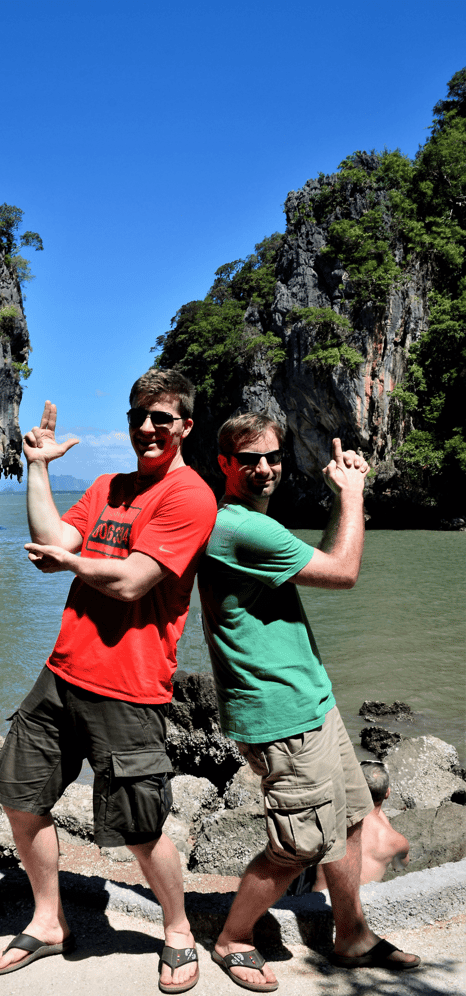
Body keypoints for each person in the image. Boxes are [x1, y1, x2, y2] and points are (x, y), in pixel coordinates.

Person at [0, 368, 217, 992]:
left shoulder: (189, 496)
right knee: (20, 798)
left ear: (185, 427)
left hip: (131, 687)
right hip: (61, 673)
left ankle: (177, 930)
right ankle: (49, 921)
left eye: (161, 419)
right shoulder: (108, 487)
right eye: (138, 415)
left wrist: (69, 560)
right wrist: (38, 467)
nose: (146, 427)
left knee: (141, 827)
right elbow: (52, 535)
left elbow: (134, 581)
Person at [198, 411, 420, 992]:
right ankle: (234, 938)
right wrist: (352, 493)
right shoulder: (241, 528)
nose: (265, 469)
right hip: (279, 714)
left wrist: (339, 502)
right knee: (300, 843)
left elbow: (320, 562)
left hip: (311, 702)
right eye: (250, 460)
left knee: (348, 820)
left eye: (272, 457)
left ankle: (352, 935)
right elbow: (344, 571)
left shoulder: (254, 527)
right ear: (224, 463)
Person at [313, 761, 410, 890]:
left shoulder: (329, 815)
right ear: (387, 793)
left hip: (314, 899)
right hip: (359, 904)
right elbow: (400, 866)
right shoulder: (396, 841)